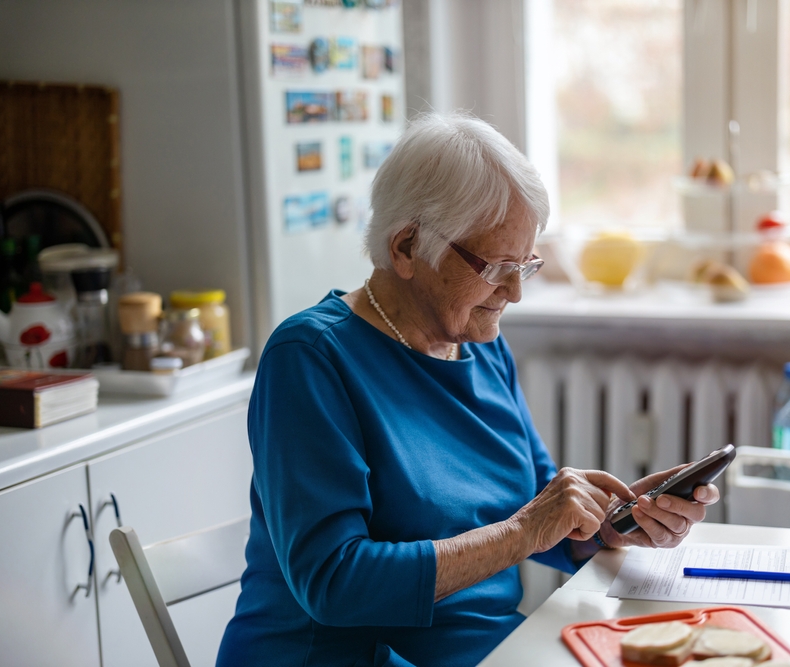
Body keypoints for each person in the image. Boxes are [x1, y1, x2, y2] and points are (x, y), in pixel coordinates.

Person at [216, 113, 719, 667]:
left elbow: (534, 509)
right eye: (497, 266)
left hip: (492, 650)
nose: (515, 292)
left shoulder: (479, 347)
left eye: (525, 264)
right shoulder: (311, 357)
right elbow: (334, 582)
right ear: (407, 247)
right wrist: (525, 530)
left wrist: (609, 525)